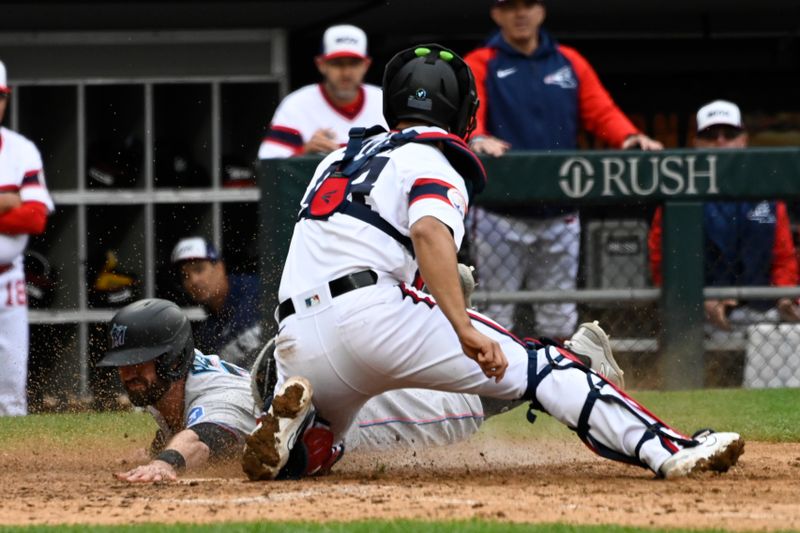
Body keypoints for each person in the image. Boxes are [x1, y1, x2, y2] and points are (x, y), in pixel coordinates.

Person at [240, 44, 744, 482]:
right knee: (549, 366)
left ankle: (298, 440)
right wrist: (462, 327)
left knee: (326, 441)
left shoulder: (335, 159)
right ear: (462, 111)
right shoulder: (434, 158)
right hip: (373, 315)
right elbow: (428, 231)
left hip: (297, 338)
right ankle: (671, 450)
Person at [99, 299, 487, 482]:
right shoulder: (164, 388)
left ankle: (436, 309)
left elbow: (203, 438)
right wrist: (156, 448)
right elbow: (184, 427)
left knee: (485, 396)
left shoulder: (215, 391)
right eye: (123, 363)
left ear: (171, 360)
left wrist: (165, 462)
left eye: (140, 361)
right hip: (350, 415)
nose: (128, 372)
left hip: (404, 415)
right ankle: (432, 311)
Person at [463, 0, 663, 339]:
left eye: (528, 5)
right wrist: (477, 135)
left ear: (542, 10)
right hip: (500, 212)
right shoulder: (481, 62)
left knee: (558, 314)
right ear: (497, 14)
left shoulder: (569, 61)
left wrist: (628, 136)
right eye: (510, 7)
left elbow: (601, 113)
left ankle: (555, 387)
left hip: (560, 210)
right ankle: (496, 390)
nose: (520, 13)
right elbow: (469, 111)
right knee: (496, 311)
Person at [648, 100, 800, 333]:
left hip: (759, 310)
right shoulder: (679, 196)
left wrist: (783, 296)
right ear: (696, 142)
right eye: (710, 135)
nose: (720, 141)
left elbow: (783, 258)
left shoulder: (766, 194)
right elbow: (662, 262)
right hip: (697, 310)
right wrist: (697, 299)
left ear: (743, 140)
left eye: (729, 134)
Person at [0, 60, 55, 416]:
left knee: (11, 389)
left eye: (0, 96)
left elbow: (35, 218)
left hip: (8, 278)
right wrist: (5, 201)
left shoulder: (21, 150)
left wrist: (16, 207)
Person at [257, 24, 386, 159]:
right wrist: (304, 153)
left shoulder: (384, 100)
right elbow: (269, 164)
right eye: (337, 63)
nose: (346, 72)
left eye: (354, 63)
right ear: (321, 64)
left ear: (366, 65)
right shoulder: (297, 104)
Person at [171, 236, 264, 368]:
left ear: (220, 268)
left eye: (199, 269)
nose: (193, 281)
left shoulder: (257, 291)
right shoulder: (207, 333)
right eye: (185, 276)